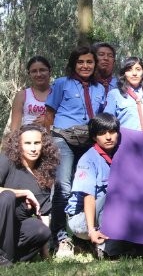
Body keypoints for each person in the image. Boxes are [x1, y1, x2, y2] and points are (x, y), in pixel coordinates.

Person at [45, 46, 106, 257]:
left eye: (89, 62)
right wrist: (47, 140)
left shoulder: (100, 88)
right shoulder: (62, 83)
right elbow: (49, 113)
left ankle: (85, 235)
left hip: (88, 141)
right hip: (63, 138)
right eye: (81, 62)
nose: (85, 66)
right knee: (63, 186)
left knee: (87, 188)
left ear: (95, 65)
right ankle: (60, 238)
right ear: (73, 64)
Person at [65, 113, 129, 259]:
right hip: (82, 219)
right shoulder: (88, 159)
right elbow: (89, 197)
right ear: (94, 137)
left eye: (112, 132)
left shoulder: (121, 154)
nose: (108, 137)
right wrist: (91, 230)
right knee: (113, 197)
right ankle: (104, 248)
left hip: (109, 215)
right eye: (102, 133)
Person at [0, 124, 59, 266]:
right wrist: (22, 192)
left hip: (15, 230)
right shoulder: (7, 161)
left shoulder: (46, 172)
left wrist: (46, 257)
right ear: (18, 145)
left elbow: (43, 214)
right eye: (27, 143)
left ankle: (7, 259)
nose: (33, 148)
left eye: (37, 143)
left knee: (41, 230)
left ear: (44, 144)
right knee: (7, 196)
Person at [104, 57, 143, 133]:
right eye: (129, 70)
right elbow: (107, 123)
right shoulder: (115, 94)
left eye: (138, 69)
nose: (134, 73)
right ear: (124, 73)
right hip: (126, 142)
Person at [10, 56, 53, 131]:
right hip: (29, 140)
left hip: (54, 140)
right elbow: (14, 128)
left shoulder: (58, 93)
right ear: (29, 74)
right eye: (34, 71)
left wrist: (50, 119)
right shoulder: (22, 95)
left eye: (42, 70)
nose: (38, 74)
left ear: (50, 71)